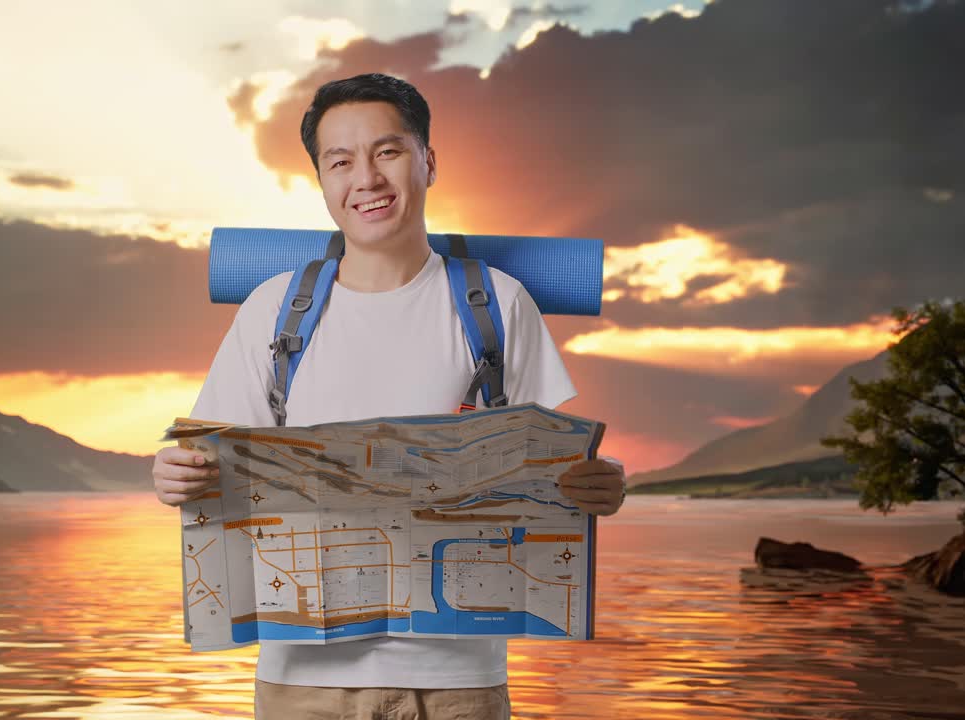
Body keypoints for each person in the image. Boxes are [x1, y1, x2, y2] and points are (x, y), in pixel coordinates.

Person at [153, 72, 625, 720]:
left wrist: (597, 487)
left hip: (459, 678)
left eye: (387, 152)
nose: (366, 179)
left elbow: (558, 473)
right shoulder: (273, 313)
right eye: (340, 162)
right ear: (321, 181)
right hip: (302, 680)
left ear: (428, 161)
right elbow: (210, 465)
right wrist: (174, 475)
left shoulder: (497, 305)